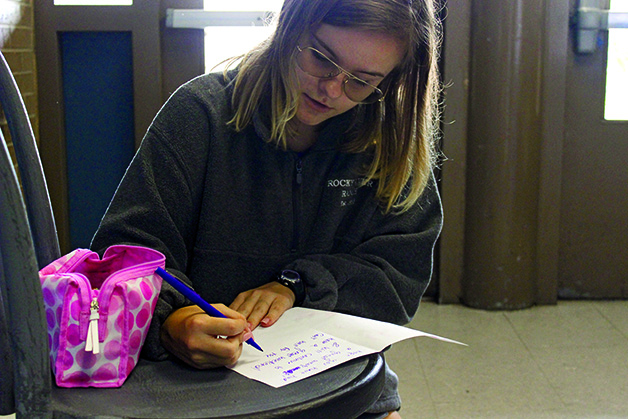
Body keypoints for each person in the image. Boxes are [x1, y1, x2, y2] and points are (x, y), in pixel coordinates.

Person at [91, 0, 443, 417]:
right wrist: (170, 320)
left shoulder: (390, 141)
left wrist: (299, 285)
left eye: (361, 82)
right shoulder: (199, 114)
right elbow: (124, 254)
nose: (331, 90)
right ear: (291, 27)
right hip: (196, 384)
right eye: (321, 58)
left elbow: (398, 277)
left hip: (336, 379)